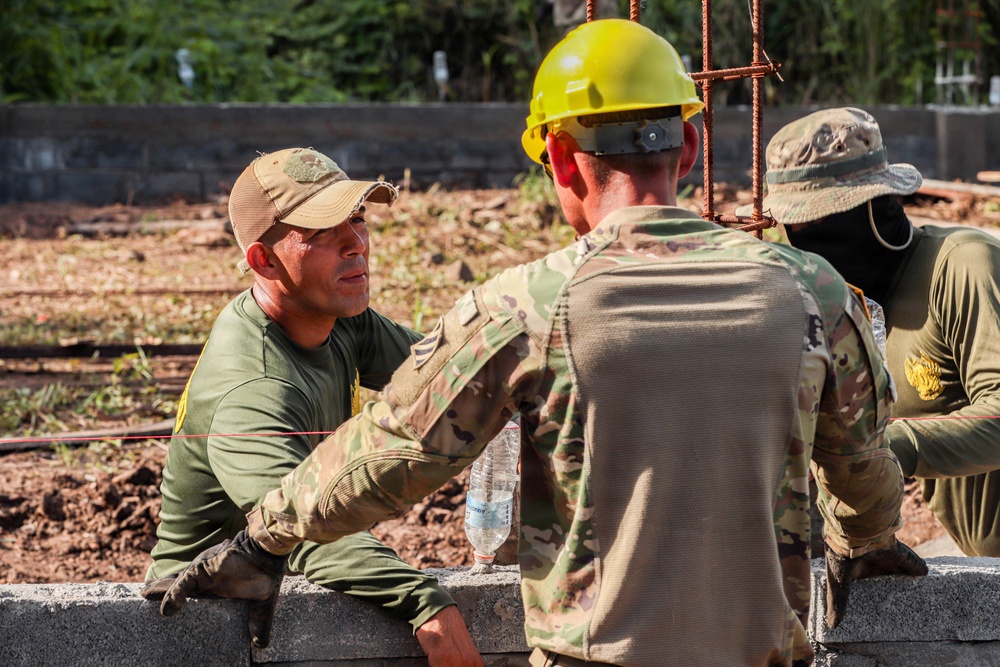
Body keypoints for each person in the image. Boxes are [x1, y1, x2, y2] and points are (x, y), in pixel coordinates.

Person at [156, 23, 927, 667]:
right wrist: (868, 537)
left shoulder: (524, 306)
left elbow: (390, 455)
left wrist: (262, 538)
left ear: (559, 160)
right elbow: (862, 467)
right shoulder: (814, 291)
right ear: (688, 147)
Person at [140, 147, 481, 664]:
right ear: (263, 259)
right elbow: (290, 529)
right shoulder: (251, 388)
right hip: (206, 623)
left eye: (358, 219)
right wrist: (426, 602)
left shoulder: (336, 315)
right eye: (322, 233)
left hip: (293, 590)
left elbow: (447, 375)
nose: (356, 245)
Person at [737, 106, 1000, 557]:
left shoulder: (962, 265)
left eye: (819, 224)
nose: (804, 245)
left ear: (875, 207)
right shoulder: (850, 305)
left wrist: (881, 445)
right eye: (793, 230)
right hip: (978, 555)